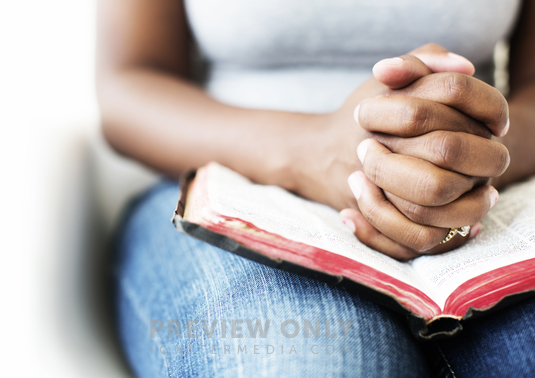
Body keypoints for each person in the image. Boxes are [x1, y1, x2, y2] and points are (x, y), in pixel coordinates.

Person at [96, 0, 535, 376]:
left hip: (489, 195)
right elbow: (128, 85)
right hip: (231, 185)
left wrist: (463, 164)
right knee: (317, 363)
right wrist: (314, 153)